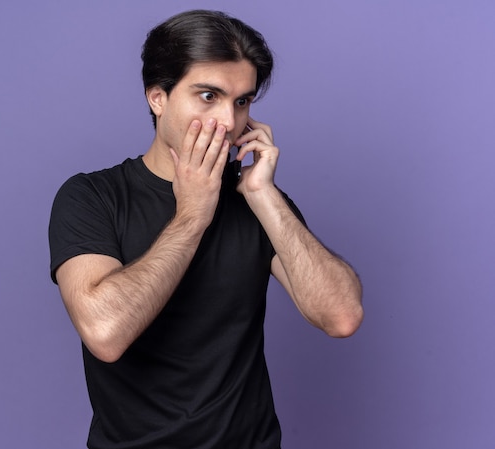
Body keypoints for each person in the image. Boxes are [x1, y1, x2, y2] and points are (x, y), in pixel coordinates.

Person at [48, 9, 363, 449]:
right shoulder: (93, 197)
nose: (229, 122)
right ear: (158, 98)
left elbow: (341, 316)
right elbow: (105, 333)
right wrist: (193, 214)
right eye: (208, 96)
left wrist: (262, 194)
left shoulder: (257, 202)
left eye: (242, 101)